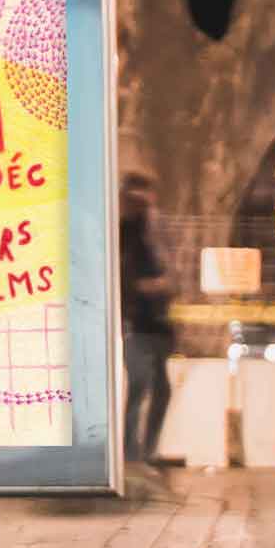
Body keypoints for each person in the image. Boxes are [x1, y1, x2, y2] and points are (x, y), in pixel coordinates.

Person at [121, 162, 176, 467]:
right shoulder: (126, 232)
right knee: (140, 384)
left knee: (160, 389)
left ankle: (146, 451)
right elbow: (129, 280)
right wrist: (153, 286)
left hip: (158, 322)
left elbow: (170, 272)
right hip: (137, 322)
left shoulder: (154, 230)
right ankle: (132, 453)